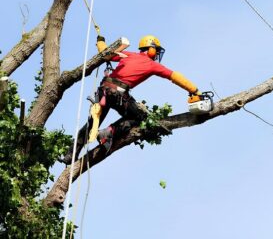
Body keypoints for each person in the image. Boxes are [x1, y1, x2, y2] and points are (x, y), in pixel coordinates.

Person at [62, 35, 201, 164]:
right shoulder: (152, 64)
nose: (157, 54)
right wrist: (194, 90)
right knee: (140, 117)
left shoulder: (128, 55)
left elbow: (105, 52)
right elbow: (174, 76)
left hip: (103, 90)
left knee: (92, 124)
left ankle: (71, 154)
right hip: (118, 93)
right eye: (156, 51)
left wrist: (100, 41)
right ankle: (109, 132)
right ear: (151, 49)